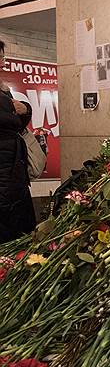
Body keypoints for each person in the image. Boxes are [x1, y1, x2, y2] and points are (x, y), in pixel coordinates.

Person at [0, 40, 36, 242]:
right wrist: (17, 109)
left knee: (18, 224)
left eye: (3, 58)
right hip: (5, 172)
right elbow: (13, 118)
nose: (3, 64)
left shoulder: (3, 89)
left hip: (13, 170)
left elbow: (19, 120)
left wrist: (24, 109)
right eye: (0, 58)